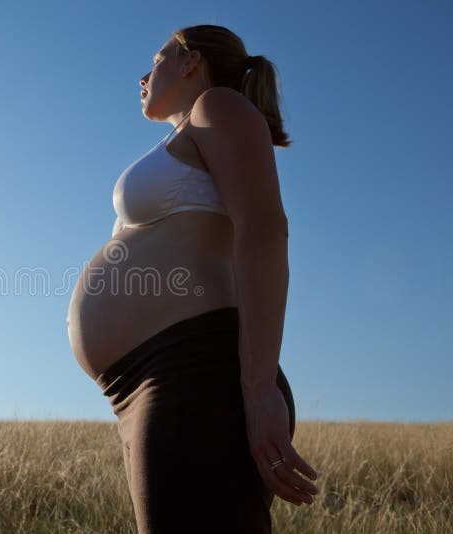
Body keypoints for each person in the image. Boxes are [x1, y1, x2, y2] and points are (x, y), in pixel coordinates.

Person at [66, 24, 319, 533]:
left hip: (195, 374)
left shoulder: (218, 107)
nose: (143, 74)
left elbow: (265, 229)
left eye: (157, 58)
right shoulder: (185, 136)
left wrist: (259, 387)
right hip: (150, 384)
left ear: (189, 61)